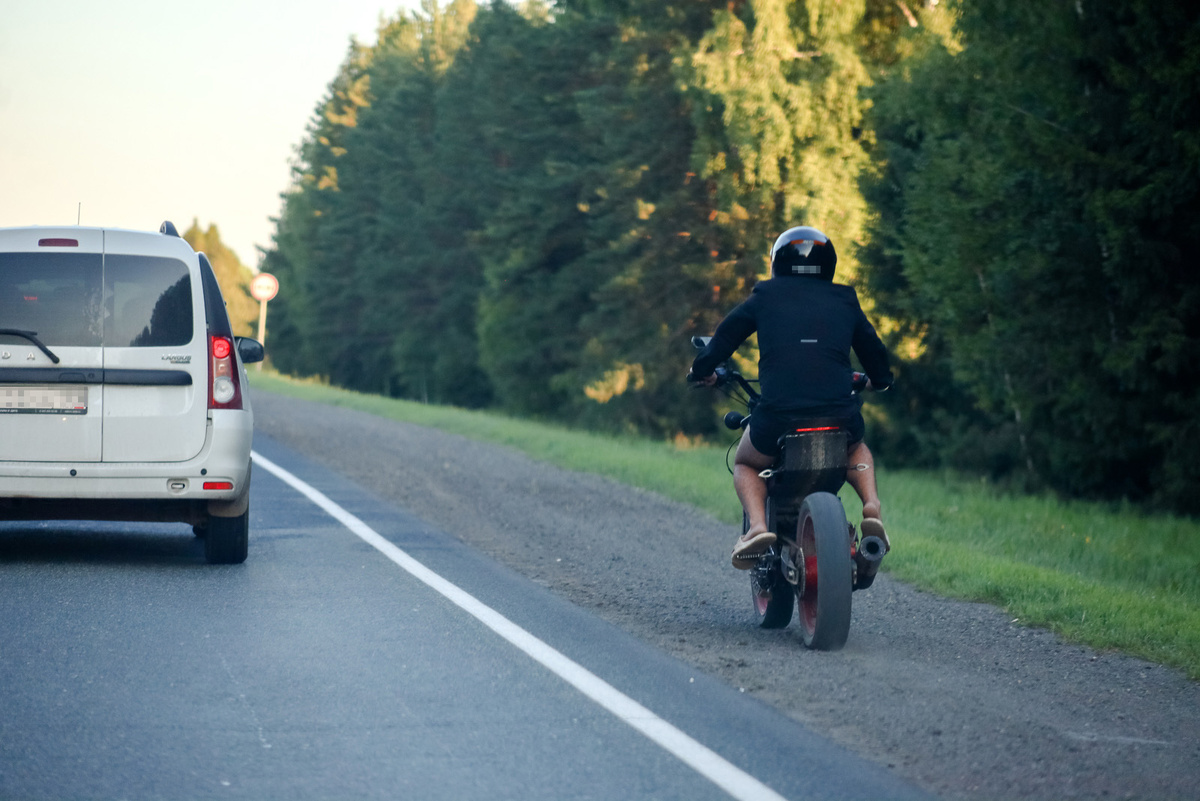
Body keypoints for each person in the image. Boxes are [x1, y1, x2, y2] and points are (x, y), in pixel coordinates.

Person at [689, 226, 894, 569]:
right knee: (856, 447)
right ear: (829, 264)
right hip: (838, 415)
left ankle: (757, 527)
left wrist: (702, 371)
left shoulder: (765, 296)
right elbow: (874, 349)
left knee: (745, 463)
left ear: (777, 263)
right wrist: (880, 380)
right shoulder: (845, 298)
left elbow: (724, 338)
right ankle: (870, 505)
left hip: (779, 417)